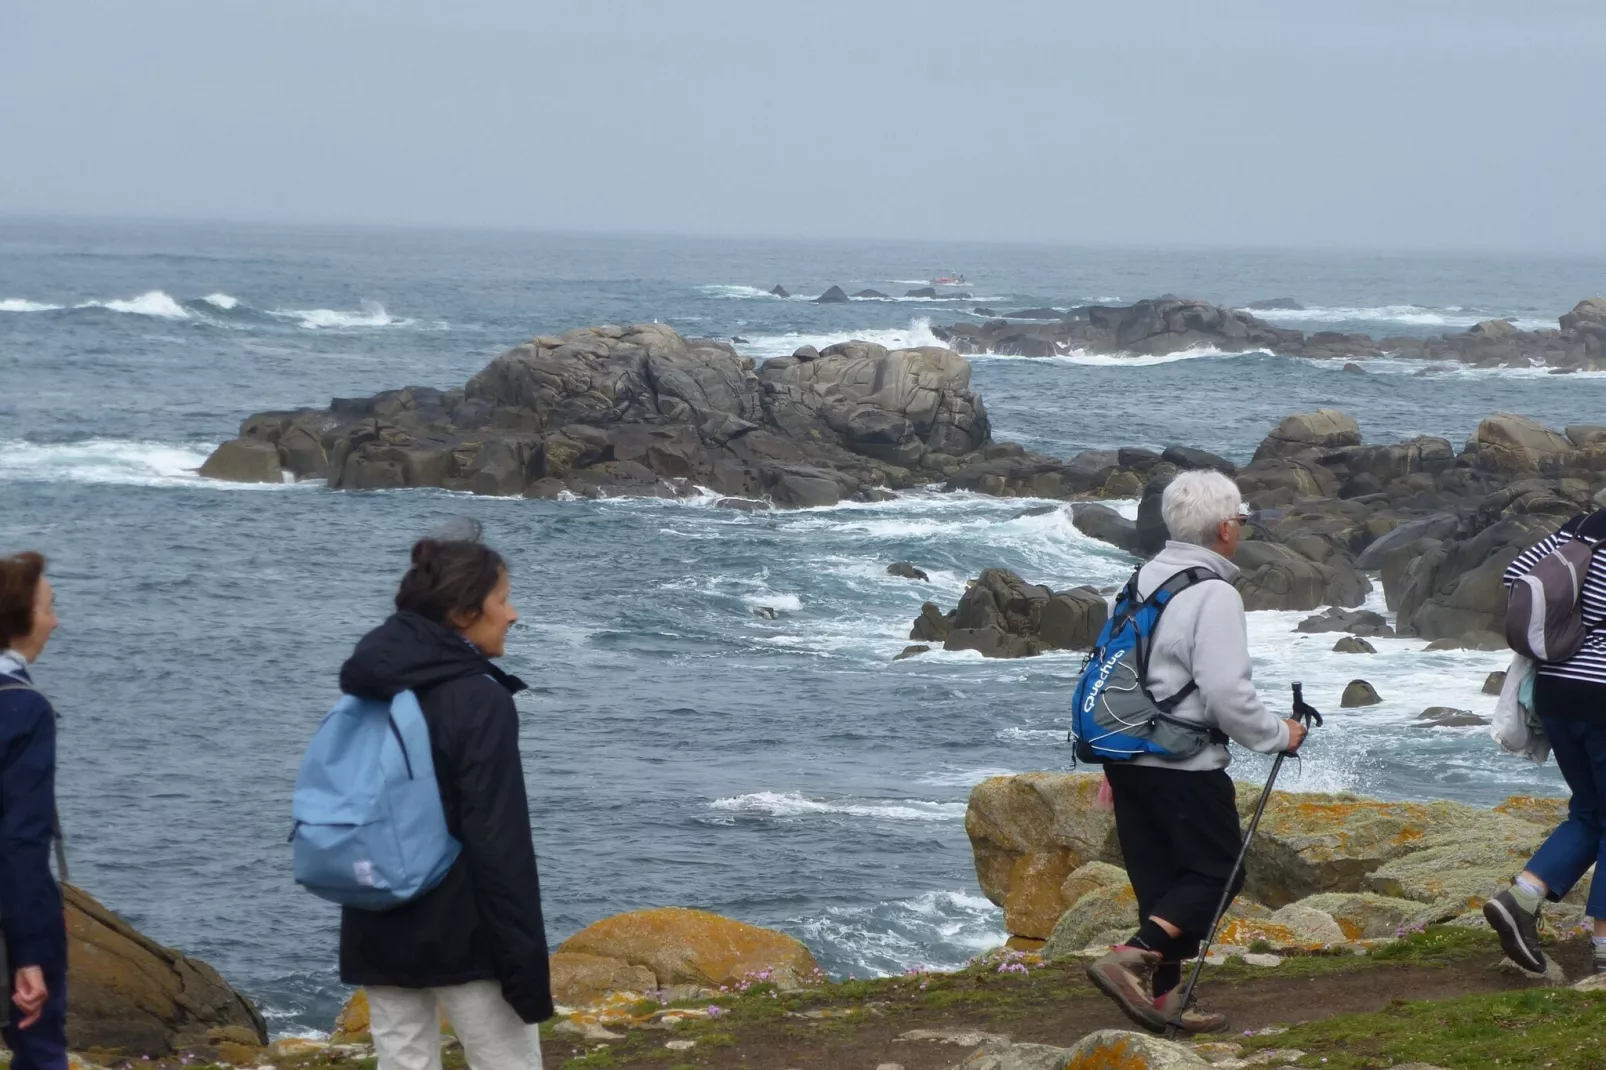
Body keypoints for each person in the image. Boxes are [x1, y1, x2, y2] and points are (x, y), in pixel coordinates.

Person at [1084, 471, 1306, 1034]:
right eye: (1242, 520)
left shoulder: (1142, 579)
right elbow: (1228, 694)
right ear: (1226, 528)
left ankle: (1166, 998)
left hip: (1127, 752)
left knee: (1162, 883)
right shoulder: (1213, 592)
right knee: (1215, 874)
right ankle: (1131, 956)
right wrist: (1279, 735)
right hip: (1184, 761)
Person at [339, 530, 553, 1070]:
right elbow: (497, 840)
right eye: (502, 600)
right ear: (462, 613)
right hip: (467, 933)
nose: (513, 615)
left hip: (375, 914)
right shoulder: (480, 699)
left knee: (402, 1061)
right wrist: (523, 959)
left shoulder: (371, 683)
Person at [1485, 509, 1606, 976]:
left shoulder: (1579, 528)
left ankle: (1522, 898)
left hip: (1556, 689)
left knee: (1591, 812)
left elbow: (1517, 576)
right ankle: (1603, 949)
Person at [0, 551, 65, 1070]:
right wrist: (28, 957)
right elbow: (22, 840)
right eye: (48, 607)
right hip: (11, 922)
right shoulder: (23, 708)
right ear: (18, 621)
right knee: (38, 1054)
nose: (56, 620)